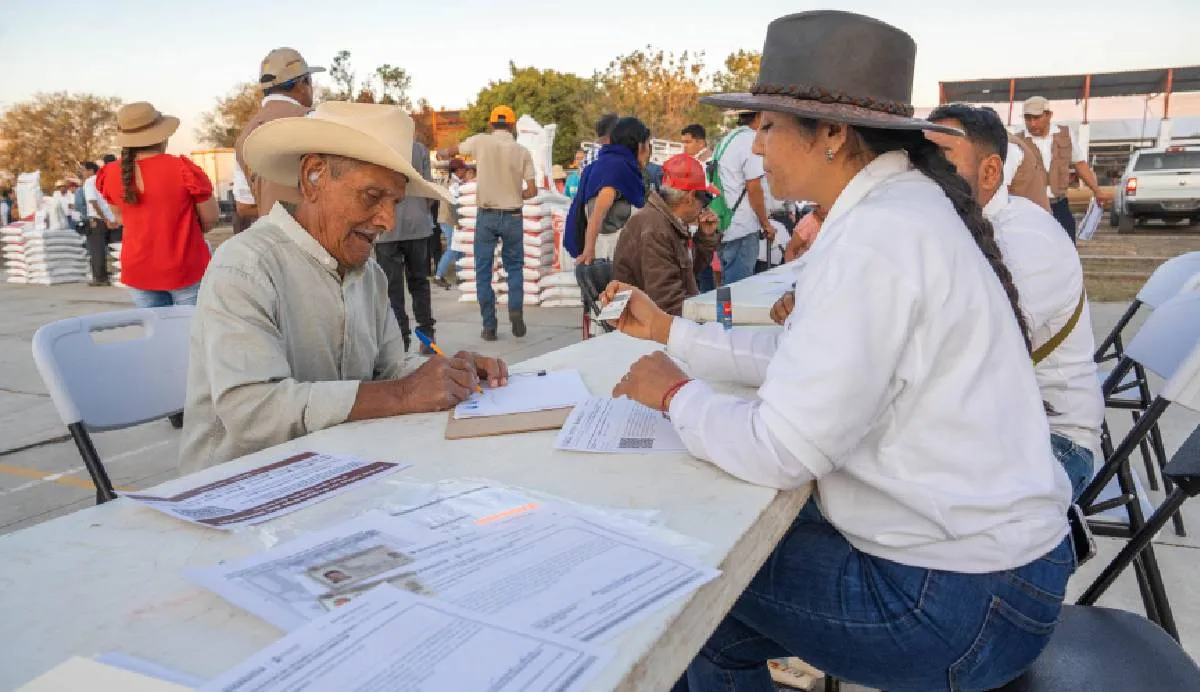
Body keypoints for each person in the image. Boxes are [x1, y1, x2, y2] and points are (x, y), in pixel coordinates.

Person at [601, 12, 1073, 692]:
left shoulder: (877, 236)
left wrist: (675, 396)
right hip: (996, 578)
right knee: (715, 609)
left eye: (766, 127)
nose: (754, 147)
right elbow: (810, 366)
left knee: (680, 578)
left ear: (831, 134)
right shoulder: (893, 214)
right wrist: (672, 334)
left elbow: (783, 448)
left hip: (961, 604)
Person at [181, 101, 505, 472]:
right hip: (240, 485)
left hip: (335, 466)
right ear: (314, 176)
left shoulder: (369, 274)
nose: (387, 221)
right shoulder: (246, 267)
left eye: (395, 202)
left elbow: (387, 371)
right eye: (372, 196)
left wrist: (444, 373)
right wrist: (402, 393)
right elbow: (253, 410)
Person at [926, 104, 1103, 498]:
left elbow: (952, 355)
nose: (921, 174)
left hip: (1053, 443)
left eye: (939, 159)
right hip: (985, 428)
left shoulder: (1026, 240)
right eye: (917, 160)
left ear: (989, 172)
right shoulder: (950, 230)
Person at [96, 102, 218, 307]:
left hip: (139, 270)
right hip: (185, 267)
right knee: (192, 335)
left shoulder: (109, 174)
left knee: (158, 337)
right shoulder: (183, 169)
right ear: (162, 135)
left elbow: (121, 218)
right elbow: (210, 219)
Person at [438, 105, 537, 341]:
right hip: (513, 215)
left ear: (492, 124)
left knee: (483, 271)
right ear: (512, 125)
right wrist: (516, 195)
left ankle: (489, 326)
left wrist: (443, 152)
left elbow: (453, 150)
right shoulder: (522, 151)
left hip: (487, 216)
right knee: (514, 268)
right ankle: (515, 311)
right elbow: (532, 191)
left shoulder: (480, 142)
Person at [612, 154, 720, 315]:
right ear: (690, 197)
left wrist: (705, 236)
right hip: (647, 326)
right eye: (706, 199)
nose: (705, 208)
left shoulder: (667, 221)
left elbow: (688, 271)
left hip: (656, 319)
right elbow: (666, 302)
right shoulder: (656, 229)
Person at [233, 47, 324, 225]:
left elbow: (244, 206)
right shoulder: (315, 121)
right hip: (318, 240)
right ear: (302, 83)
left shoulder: (244, 137)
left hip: (271, 243)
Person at [1015, 96, 1111, 240]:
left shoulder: (1065, 135)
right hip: (1031, 208)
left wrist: (1097, 191)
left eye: (1037, 118)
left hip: (1059, 204)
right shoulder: (1017, 141)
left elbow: (1079, 164)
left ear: (1049, 115)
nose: (1032, 123)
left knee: (1068, 246)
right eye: (1028, 119)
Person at [375, 139, 437, 354]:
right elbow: (429, 188)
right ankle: (427, 336)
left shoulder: (378, 145)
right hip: (418, 225)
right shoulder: (419, 148)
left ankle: (401, 340)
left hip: (386, 228)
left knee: (392, 288)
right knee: (419, 281)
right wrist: (421, 210)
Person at [565, 116, 651, 265]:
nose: (649, 150)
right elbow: (598, 211)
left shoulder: (609, 163)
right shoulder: (616, 167)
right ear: (639, 145)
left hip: (613, 253)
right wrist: (589, 250)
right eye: (648, 144)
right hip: (608, 257)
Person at [713, 110, 775, 285]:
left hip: (725, 222)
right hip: (743, 226)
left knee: (727, 290)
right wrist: (766, 224)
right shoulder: (750, 140)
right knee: (738, 290)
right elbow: (753, 187)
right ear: (759, 117)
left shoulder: (727, 139)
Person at [81, 160, 119, 286]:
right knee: (115, 249)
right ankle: (117, 275)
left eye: (83, 170)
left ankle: (100, 278)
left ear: (91, 171)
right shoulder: (106, 179)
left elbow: (92, 201)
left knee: (96, 250)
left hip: (98, 220)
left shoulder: (90, 181)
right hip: (113, 219)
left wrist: (104, 219)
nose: (82, 173)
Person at [433, 158, 468, 288]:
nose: (465, 172)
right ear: (458, 170)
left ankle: (461, 276)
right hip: (450, 220)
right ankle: (438, 276)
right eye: (463, 169)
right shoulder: (453, 183)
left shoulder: (451, 181)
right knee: (453, 249)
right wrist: (458, 221)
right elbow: (453, 204)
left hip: (447, 219)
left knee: (459, 249)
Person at [1005, 133, 1051, 211]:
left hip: (1027, 218)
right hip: (1025, 215)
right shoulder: (1007, 142)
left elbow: (997, 195)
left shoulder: (1008, 147)